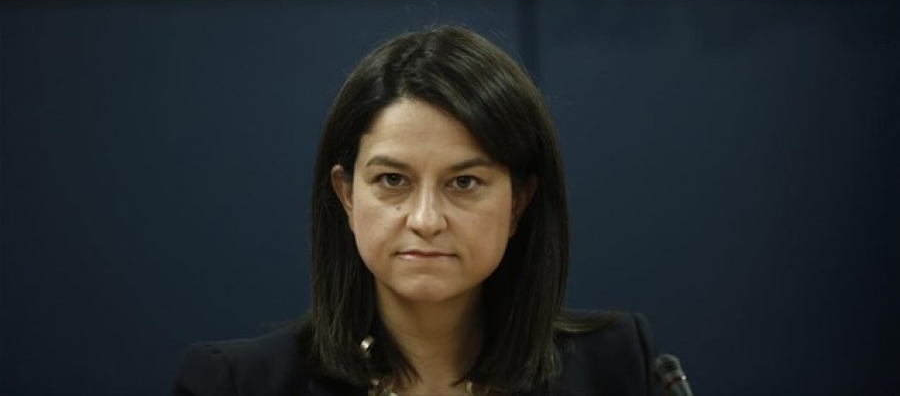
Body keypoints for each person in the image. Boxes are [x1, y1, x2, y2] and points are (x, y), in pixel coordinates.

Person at [174, 25, 658, 395]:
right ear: (346, 195)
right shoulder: (235, 385)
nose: (425, 220)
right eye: (393, 180)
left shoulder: (615, 369)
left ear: (519, 201)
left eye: (464, 182)